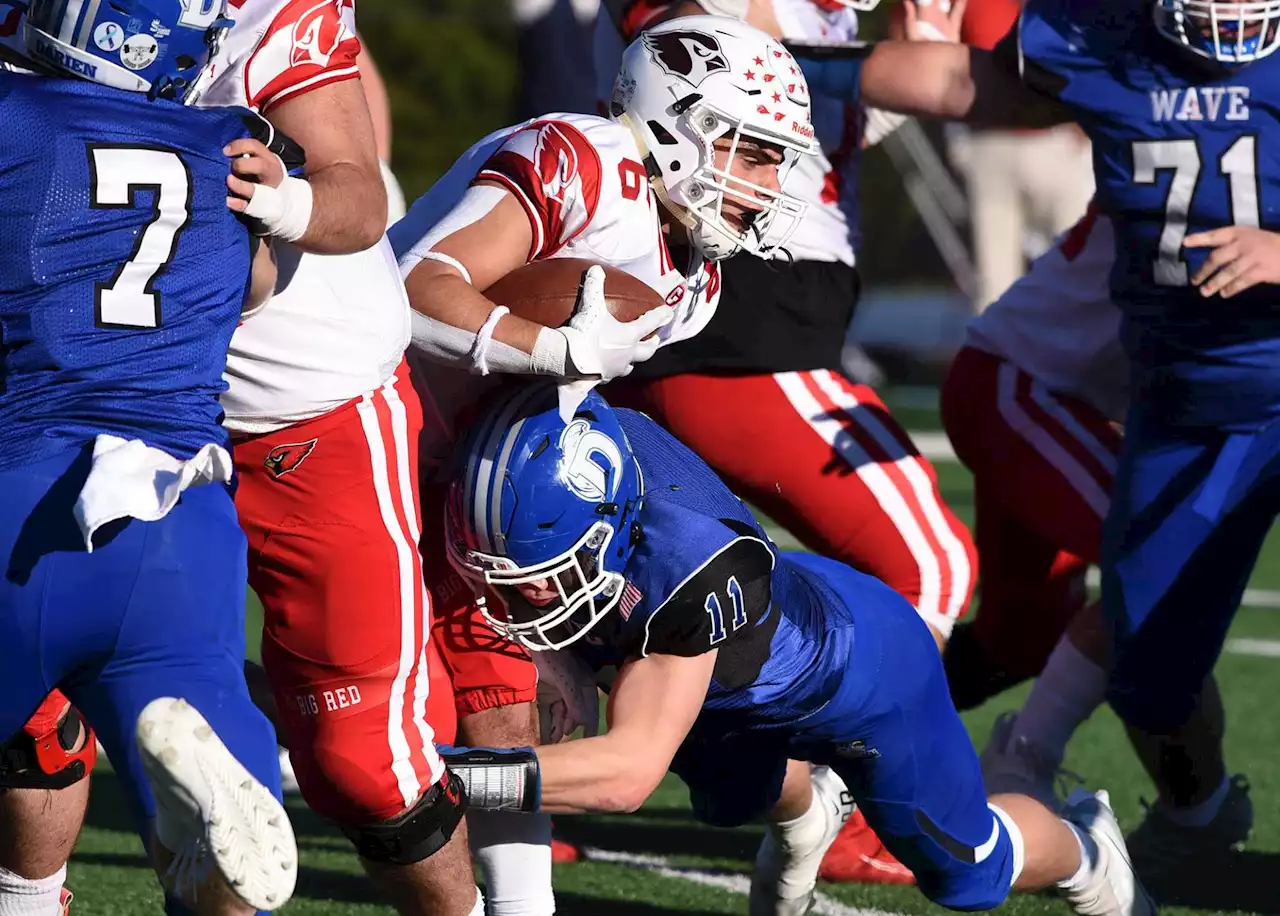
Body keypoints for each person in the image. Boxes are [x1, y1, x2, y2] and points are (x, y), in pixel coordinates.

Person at [793, 0, 1280, 880]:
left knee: (1046, 630)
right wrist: (794, 61)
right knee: (1147, 654)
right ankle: (1182, 811)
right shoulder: (1103, 41)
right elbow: (963, 82)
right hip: (1170, 401)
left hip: (1232, 383)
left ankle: (1022, 764)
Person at [387, 16, 818, 915]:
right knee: (365, 692)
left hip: (474, 465)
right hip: (371, 422)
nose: (771, 185)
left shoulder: (694, 273)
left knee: (507, 698)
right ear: (679, 122)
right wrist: (546, 344)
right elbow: (416, 289)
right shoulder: (580, 159)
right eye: (754, 152)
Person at [440, 383, 1154, 916]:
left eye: (537, 582)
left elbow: (624, 778)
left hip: (866, 673)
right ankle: (812, 807)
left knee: (967, 874)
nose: (513, 606)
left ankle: (1088, 853)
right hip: (731, 671)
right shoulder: (593, 454)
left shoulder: (692, 574)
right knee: (732, 795)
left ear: (608, 526)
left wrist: (437, 778)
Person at [593, 0, 977, 888]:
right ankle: (841, 797)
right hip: (744, 318)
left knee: (662, 580)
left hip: (737, 312)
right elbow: (682, 54)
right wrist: (907, 64)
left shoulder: (818, 20)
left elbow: (811, 129)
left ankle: (760, 777)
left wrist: (885, 68)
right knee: (932, 563)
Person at [0, 0, 297, 913]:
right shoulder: (233, 143)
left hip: (25, 501)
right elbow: (257, 282)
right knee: (223, 869)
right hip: (183, 523)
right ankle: (195, 855)